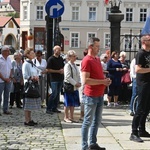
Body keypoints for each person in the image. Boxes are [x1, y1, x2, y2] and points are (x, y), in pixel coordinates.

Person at [81, 37, 111, 150]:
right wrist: (102, 81)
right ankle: (84, 146)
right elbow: (86, 80)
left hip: (99, 93)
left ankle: (93, 143)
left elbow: (98, 75)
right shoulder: (86, 60)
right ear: (90, 47)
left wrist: (105, 80)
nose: (99, 48)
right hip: (91, 95)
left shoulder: (97, 59)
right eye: (97, 46)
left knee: (97, 121)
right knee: (88, 121)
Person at [130, 35, 150, 142]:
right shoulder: (141, 53)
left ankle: (142, 129)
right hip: (143, 83)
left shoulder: (149, 53)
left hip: (149, 83)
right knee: (140, 108)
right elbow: (138, 69)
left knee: (147, 107)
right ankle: (134, 132)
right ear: (144, 42)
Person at [22, 48, 41, 126]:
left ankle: (30, 119)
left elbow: (37, 71)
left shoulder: (32, 63)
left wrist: (37, 76)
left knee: (30, 104)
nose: (34, 54)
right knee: (27, 103)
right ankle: (26, 120)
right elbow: (25, 75)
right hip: (28, 85)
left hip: (34, 84)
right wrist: (32, 77)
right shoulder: (26, 64)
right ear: (28, 55)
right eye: (32, 53)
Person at [46, 45, 64, 114]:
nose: (59, 51)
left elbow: (62, 66)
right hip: (53, 79)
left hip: (60, 78)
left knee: (57, 94)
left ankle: (54, 107)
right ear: (54, 51)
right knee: (53, 93)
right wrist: (57, 71)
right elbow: (48, 70)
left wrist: (62, 70)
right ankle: (49, 108)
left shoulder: (61, 58)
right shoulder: (51, 59)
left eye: (60, 50)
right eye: (58, 50)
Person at [63, 50, 81, 123]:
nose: (75, 57)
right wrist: (75, 83)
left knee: (73, 103)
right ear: (69, 57)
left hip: (75, 86)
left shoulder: (75, 65)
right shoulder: (67, 65)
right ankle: (66, 117)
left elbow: (78, 75)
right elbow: (68, 77)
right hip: (69, 86)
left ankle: (71, 117)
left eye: (75, 56)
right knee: (67, 102)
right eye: (74, 56)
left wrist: (79, 82)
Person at [0, 45, 13, 115]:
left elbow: (10, 69)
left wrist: (10, 77)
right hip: (1, 81)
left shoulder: (9, 59)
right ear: (4, 51)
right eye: (7, 50)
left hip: (8, 80)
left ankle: (5, 109)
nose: (9, 52)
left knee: (7, 95)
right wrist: (4, 78)